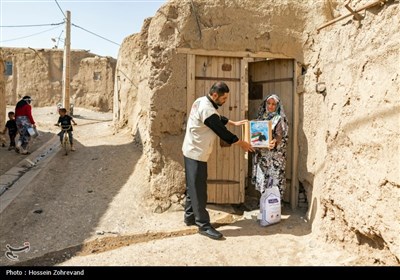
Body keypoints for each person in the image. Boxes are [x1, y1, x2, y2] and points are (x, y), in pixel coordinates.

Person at [182, 81, 254, 240]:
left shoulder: (202, 100)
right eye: (224, 98)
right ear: (215, 95)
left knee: (192, 186)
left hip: (190, 150)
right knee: (199, 190)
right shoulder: (206, 108)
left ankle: (189, 217)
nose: (225, 101)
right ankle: (204, 226)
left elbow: (217, 117)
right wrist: (240, 142)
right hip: (196, 154)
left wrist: (233, 122)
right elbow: (220, 129)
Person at [252, 94, 289, 200]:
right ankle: (264, 203)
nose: (271, 106)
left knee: (274, 180)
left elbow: (280, 135)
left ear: (277, 105)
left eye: (273, 104)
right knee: (263, 179)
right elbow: (256, 133)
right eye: (268, 103)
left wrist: (275, 141)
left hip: (274, 158)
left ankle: (274, 206)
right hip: (262, 156)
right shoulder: (261, 118)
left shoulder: (279, 119)